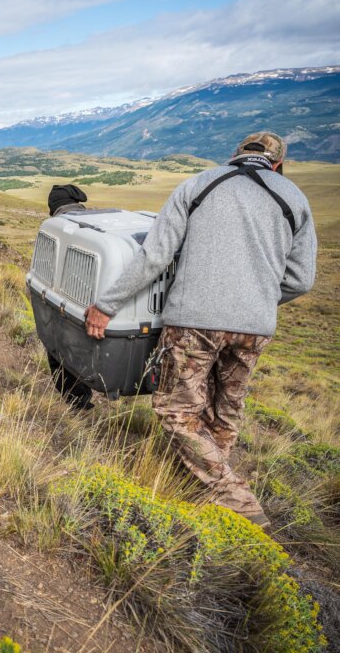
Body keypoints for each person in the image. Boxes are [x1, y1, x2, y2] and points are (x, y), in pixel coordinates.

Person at [83, 132, 317, 527]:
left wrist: (106, 306)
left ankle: (237, 500)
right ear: (278, 164)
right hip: (255, 327)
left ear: (235, 156)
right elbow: (301, 280)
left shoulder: (199, 184)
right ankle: (208, 498)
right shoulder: (294, 198)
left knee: (175, 409)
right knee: (225, 410)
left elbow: (154, 255)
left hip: (195, 320)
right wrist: (256, 300)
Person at [46, 184, 95, 410]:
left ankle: (77, 402)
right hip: (100, 306)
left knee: (57, 350)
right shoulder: (94, 223)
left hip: (68, 303)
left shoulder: (56, 227)